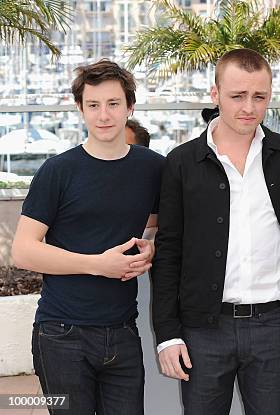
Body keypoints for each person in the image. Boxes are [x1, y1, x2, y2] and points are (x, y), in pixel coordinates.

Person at [151, 48, 280, 415]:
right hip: (203, 328)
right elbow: (169, 252)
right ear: (215, 94)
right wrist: (168, 334)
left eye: (259, 97)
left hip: (270, 323)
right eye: (237, 96)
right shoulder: (181, 162)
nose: (248, 108)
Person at [11, 59, 165, 414]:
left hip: (123, 332)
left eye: (113, 104)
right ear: (80, 108)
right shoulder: (57, 171)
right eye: (93, 105)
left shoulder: (152, 168)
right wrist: (98, 265)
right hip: (61, 335)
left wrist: (151, 248)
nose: (104, 115)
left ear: (130, 106)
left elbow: (158, 227)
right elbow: (23, 250)